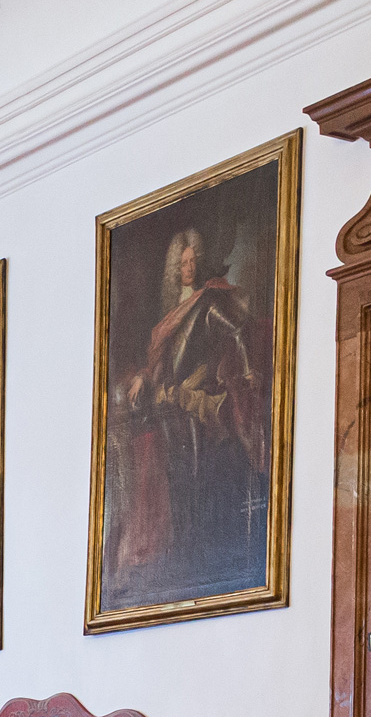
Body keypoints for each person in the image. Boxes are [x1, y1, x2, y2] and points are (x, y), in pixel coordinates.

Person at [110, 227, 265, 600]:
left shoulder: (206, 301)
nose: (189, 267)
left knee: (197, 468)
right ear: (173, 268)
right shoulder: (169, 310)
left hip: (196, 389)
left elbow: (233, 334)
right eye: (183, 263)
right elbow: (159, 361)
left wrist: (242, 372)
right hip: (166, 397)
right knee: (172, 473)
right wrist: (146, 378)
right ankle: (180, 545)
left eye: (194, 260)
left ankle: (200, 548)